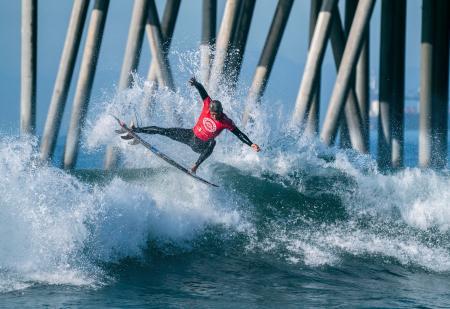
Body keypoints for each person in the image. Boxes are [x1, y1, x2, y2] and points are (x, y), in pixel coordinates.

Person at [118, 77, 261, 174]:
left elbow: (239, 133)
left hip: (200, 146)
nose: (214, 116)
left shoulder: (226, 121)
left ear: (221, 111)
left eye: (216, 114)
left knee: (213, 143)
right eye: (212, 113)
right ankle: (135, 130)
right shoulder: (207, 105)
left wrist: (251, 144)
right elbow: (203, 92)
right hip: (190, 135)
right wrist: (196, 84)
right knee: (163, 131)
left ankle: (195, 166)